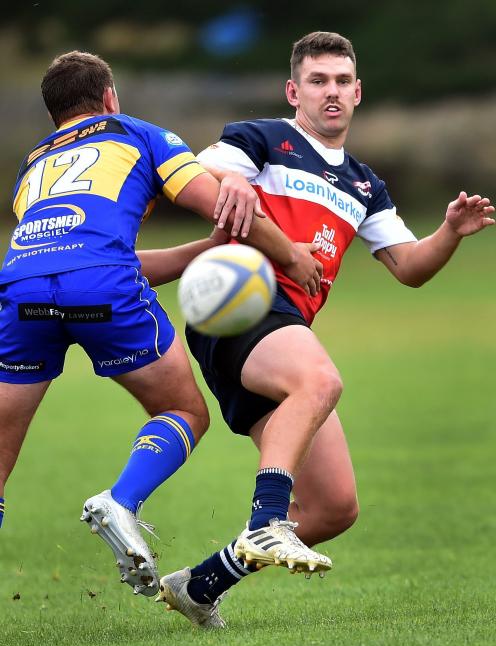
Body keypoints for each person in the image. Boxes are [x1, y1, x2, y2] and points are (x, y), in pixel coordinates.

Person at [141, 31, 494, 627]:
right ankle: (265, 522)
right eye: (317, 81)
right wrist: (232, 184)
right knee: (322, 380)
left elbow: (409, 267)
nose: (330, 93)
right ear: (294, 90)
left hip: (283, 334)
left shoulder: (364, 184)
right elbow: (204, 178)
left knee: (334, 507)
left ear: (358, 93)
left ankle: (199, 586)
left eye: (341, 82)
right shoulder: (260, 139)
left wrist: (450, 234)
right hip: (240, 306)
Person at [0, 51, 323, 598]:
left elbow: (85, 258)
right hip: (100, 291)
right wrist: (290, 256)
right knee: (184, 411)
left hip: (22, 294)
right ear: (109, 98)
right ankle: (120, 501)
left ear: (55, 113)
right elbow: (217, 200)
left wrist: (206, 252)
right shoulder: (138, 134)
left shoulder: (32, 167)